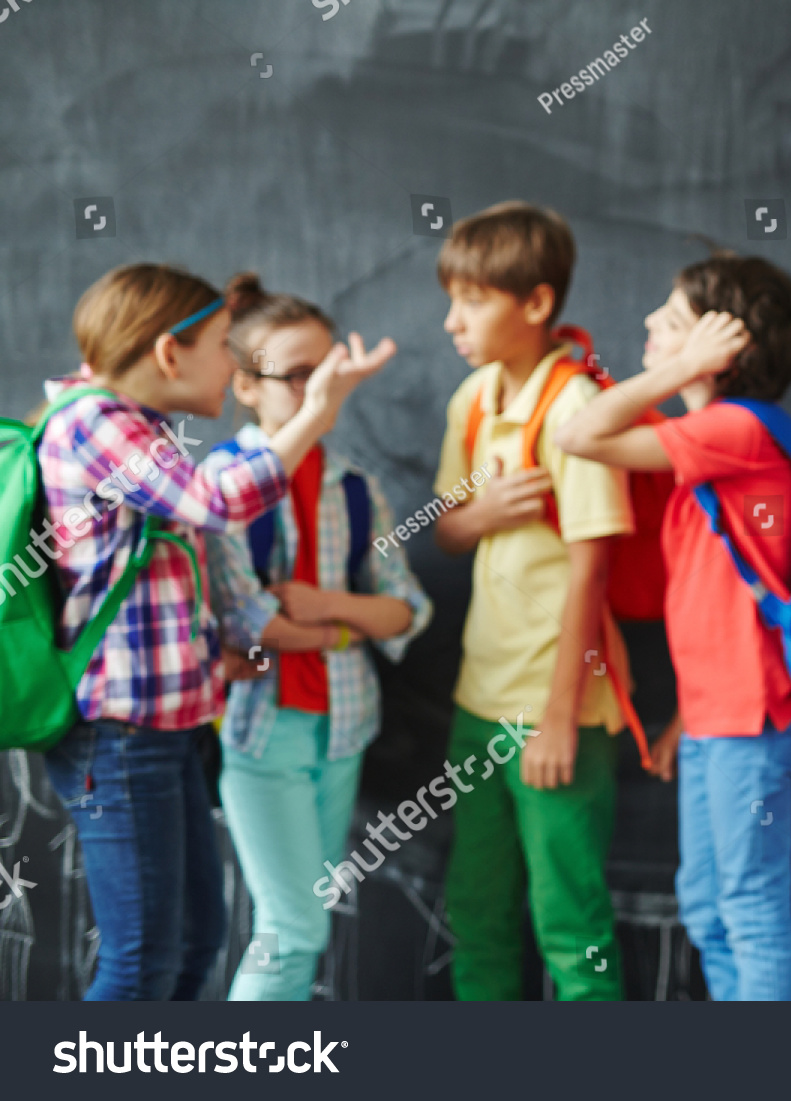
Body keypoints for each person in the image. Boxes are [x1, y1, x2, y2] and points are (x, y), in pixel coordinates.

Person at [37, 263, 388, 999]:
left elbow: (153, 580)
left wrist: (217, 655)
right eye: (226, 344)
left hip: (163, 731)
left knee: (196, 943)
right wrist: (313, 416)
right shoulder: (95, 420)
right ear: (169, 352)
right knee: (140, 965)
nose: (234, 367)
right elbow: (220, 502)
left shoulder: (141, 429)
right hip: (120, 734)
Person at [556, 252, 791, 1001]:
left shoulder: (736, 428)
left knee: (748, 906)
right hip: (720, 717)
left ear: (721, 347)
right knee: (709, 904)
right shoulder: (719, 433)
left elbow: (580, 433)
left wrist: (685, 368)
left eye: (669, 322)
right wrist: (689, 720)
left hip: (751, 718)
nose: (645, 325)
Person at [204, 273, 431, 1000]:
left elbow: (405, 610)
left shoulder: (357, 487)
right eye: (297, 374)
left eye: (327, 370)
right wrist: (343, 628)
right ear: (244, 383)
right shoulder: (221, 483)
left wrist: (323, 607)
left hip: (344, 726)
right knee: (293, 924)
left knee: (307, 918)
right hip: (259, 733)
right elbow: (252, 623)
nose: (318, 388)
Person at [430, 201, 633, 1000]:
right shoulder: (474, 398)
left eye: (473, 300)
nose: (453, 320)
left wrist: (557, 717)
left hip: (560, 714)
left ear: (537, 304)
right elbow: (446, 531)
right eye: (452, 297)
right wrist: (483, 513)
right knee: (477, 914)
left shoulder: (577, 408)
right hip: (479, 700)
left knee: (570, 926)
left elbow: (592, 570)